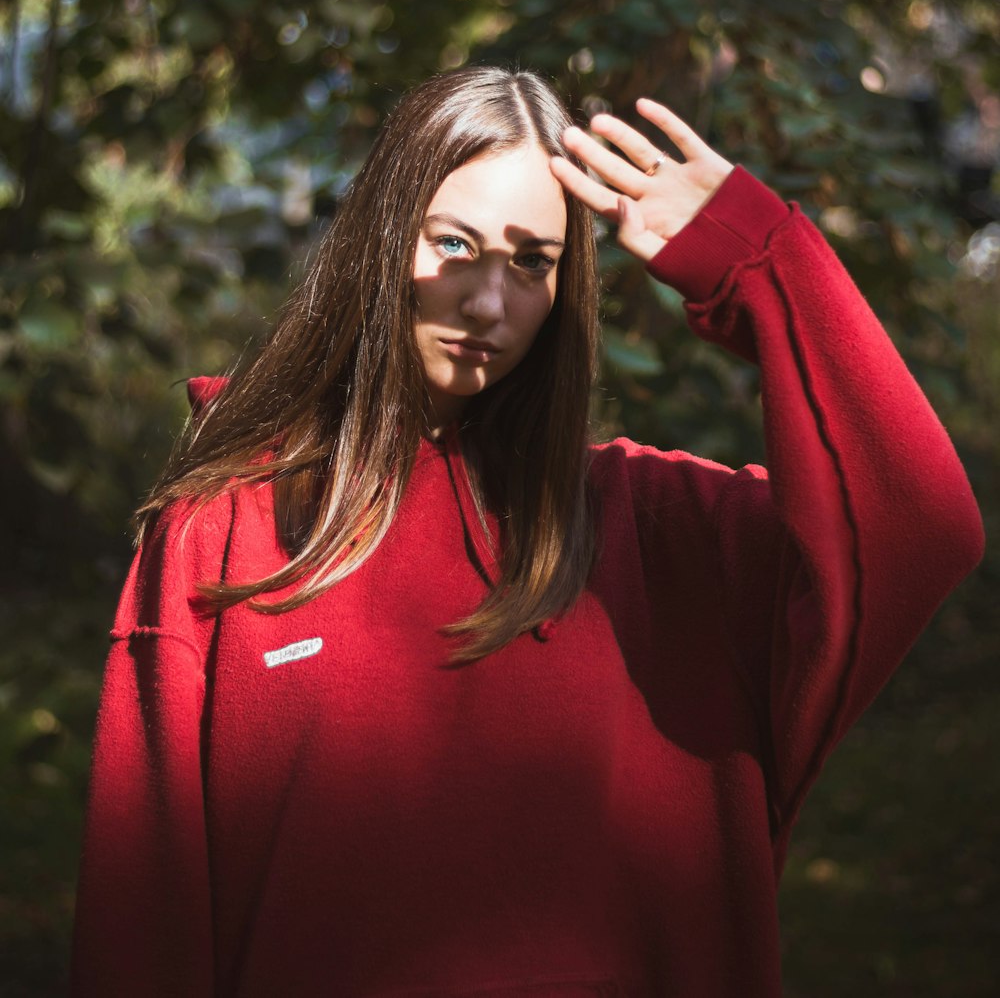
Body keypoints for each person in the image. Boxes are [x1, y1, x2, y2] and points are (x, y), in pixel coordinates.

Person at [71, 66, 983, 998]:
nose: (490, 304)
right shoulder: (229, 533)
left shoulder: (665, 537)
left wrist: (760, 265)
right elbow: (139, 918)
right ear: (381, 241)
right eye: (455, 243)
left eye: (533, 262)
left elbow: (923, 526)